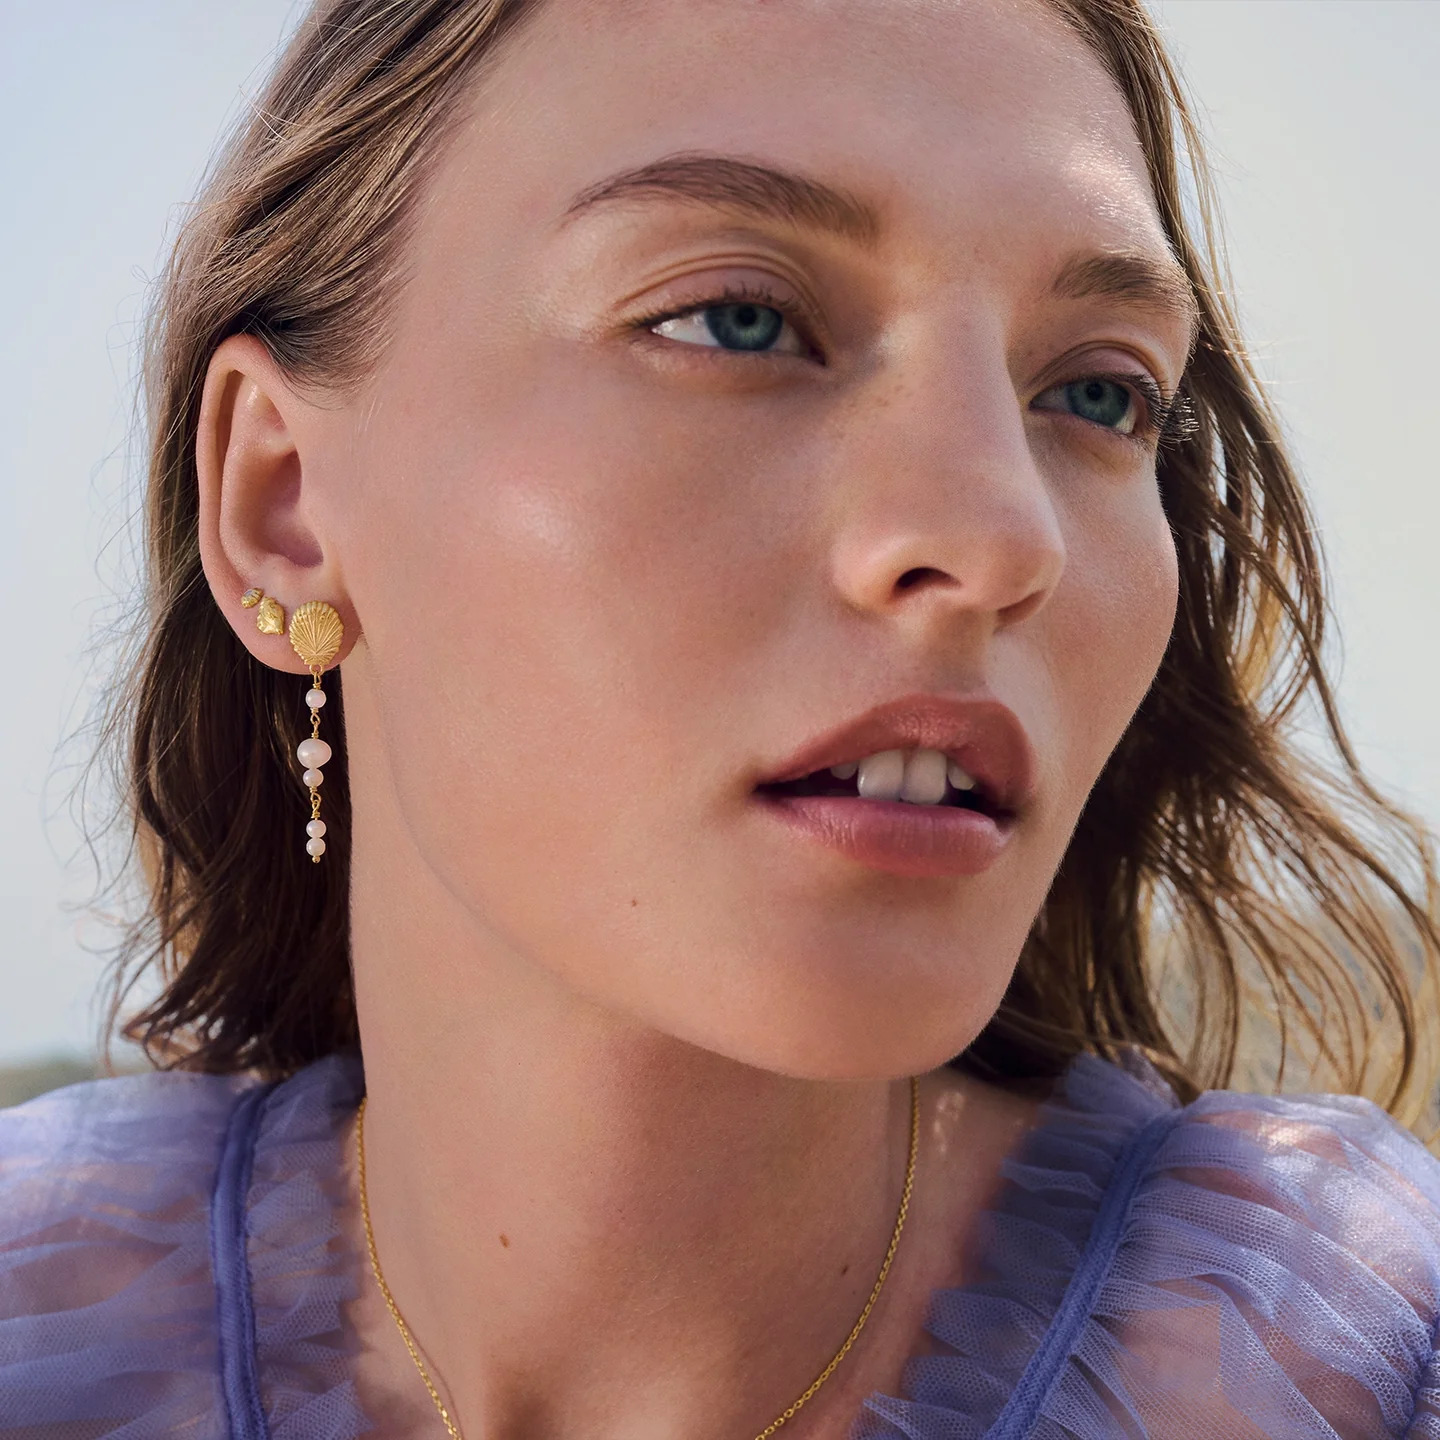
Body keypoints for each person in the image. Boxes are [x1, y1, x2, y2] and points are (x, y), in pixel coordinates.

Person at [3, 0, 1440, 1435]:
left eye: (1100, 392)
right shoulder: (46, 1333)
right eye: (737, 320)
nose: (1007, 537)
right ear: (282, 501)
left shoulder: (1343, 1380)